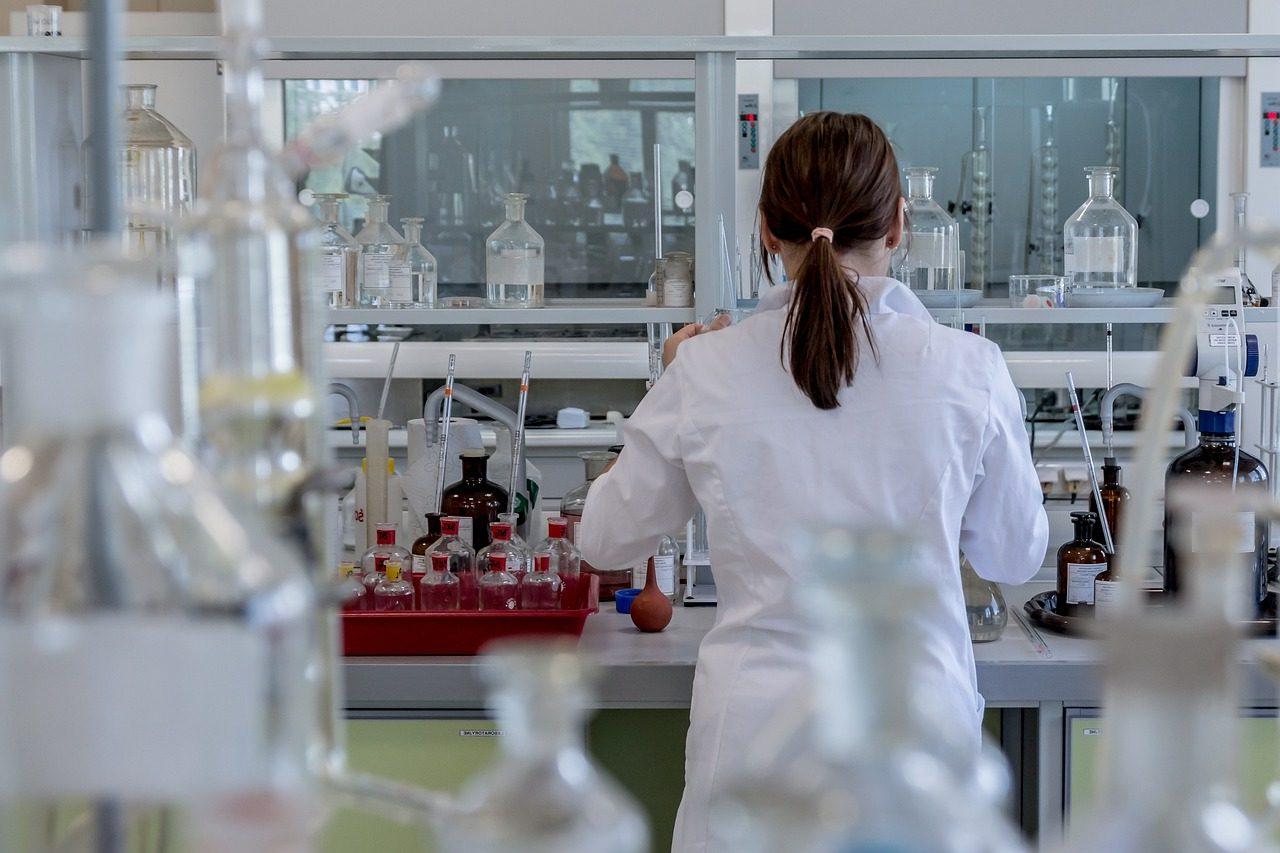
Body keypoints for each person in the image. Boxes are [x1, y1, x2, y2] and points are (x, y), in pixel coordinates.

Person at [576, 111, 1048, 853]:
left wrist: (665, 381)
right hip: (917, 753)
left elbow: (604, 537)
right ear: (898, 224)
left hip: (752, 757)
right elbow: (1014, 558)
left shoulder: (705, 367)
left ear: (768, 229)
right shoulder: (969, 369)